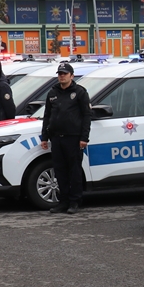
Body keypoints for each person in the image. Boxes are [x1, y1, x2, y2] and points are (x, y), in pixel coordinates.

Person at [40, 62, 91, 214]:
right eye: (59, 74)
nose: (61, 76)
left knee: (74, 171)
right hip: (57, 138)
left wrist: (84, 137)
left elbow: (86, 116)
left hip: (73, 138)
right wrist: (45, 137)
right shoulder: (53, 93)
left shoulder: (80, 92)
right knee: (60, 171)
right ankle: (63, 201)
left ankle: (74, 201)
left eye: (64, 74)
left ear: (71, 75)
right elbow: (47, 115)